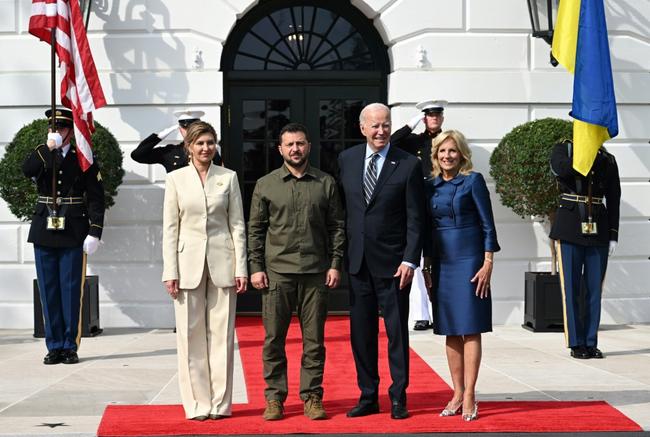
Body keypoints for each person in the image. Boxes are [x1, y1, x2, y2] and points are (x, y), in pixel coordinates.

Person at [248, 123, 345, 421]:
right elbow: (255, 230)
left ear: (309, 146)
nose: (295, 149)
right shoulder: (266, 184)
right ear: (280, 149)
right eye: (289, 144)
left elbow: (337, 227)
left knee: (314, 342)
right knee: (274, 340)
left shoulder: (325, 183)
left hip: (316, 273)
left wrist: (335, 264)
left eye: (300, 143)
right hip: (277, 274)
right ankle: (274, 398)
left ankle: (312, 397)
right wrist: (256, 268)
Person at [337, 103, 425, 420]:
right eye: (374, 125)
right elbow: (343, 213)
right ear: (362, 128)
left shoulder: (407, 164)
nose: (381, 131)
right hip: (358, 262)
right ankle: (368, 395)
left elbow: (417, 218)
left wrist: (410, 260)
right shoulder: (346, 161)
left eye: (386, 125)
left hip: (394, 266)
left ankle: (399, 396)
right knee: (361, 334)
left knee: (397, 334)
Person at [161, 121, 247, 421]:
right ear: (189, 146)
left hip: (223, 262)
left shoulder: (229, 178)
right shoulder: (176, 180)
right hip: (187, 266)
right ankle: (198, 404)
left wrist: (242, 267)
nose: (206, 148)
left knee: (221, 336)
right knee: (190, 336)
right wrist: (169, 271)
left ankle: (221, 405)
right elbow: (170, 229)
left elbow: (237, 225)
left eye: (210, 142)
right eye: (200, 143)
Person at [421, 130, 500, 422]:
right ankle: (456, 392)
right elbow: (428, 231)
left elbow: (487, 225)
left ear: (462, 154)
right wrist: (428, 266)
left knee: (470, 326)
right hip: (441, 263)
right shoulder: (429, 186)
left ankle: (470, 395)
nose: (447, 156)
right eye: (442, 151)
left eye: (452, 151)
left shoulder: (473, 181)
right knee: (450, 329)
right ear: (435, 154)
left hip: (470, 262)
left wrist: (487, 261)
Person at [22, 108, 105, 365]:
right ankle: (54, 344)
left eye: (62, 127)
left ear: (72, 130)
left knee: (70, 290)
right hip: (44, 228)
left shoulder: (84, 157)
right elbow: (27, 170)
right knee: (49, 290)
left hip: (73, 229)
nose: (57, 131)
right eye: (53, 127)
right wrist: (48, 147)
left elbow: (96, 197)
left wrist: (95, 230)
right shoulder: (42, 152)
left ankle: (69, 345)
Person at [549, 141, 620, 360]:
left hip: (598, 226)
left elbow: (614, 197)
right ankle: (576, 342)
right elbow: (562, 170)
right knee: (570, 289)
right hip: (570, 226)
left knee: (594, 290)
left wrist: (613, 233)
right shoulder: (564, 149)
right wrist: (585, 154)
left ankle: (591, 341)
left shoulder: (607, 159)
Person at [391, 99, 447, 331]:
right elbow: (391, 143)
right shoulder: (413, 141)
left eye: (436, 116)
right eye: (429, 116)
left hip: (442, 201)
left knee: (442, 259)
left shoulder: (448, 140)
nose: (433, 119)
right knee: (418, 259)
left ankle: (441, 312)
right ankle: (422, 314)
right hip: (419, 203)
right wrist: (409, 126)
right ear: (424, 119)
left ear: (442, 118)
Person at [131, 108, 222, 172]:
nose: (189, 131)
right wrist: (160, 136)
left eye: (192, 128)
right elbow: (137, 155)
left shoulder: (208, 150)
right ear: (180, 129)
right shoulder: (171, 151)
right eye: (185, 128)